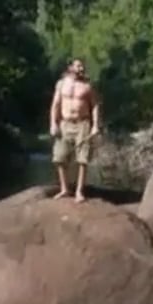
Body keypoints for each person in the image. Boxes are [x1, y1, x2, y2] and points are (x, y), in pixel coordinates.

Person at [48, 58, 101, 201]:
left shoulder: (87, 86)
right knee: (59, 157)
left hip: (82, 123)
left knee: (82, 159)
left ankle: (79, 192)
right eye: (78, 66)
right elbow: (55, 105)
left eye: (82, 66)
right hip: (64, 123)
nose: (81, 69)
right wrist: (53, 124)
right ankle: (64, 189)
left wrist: (95, 125)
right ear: (70, 67)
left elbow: (95, 105)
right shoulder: (61, 84)